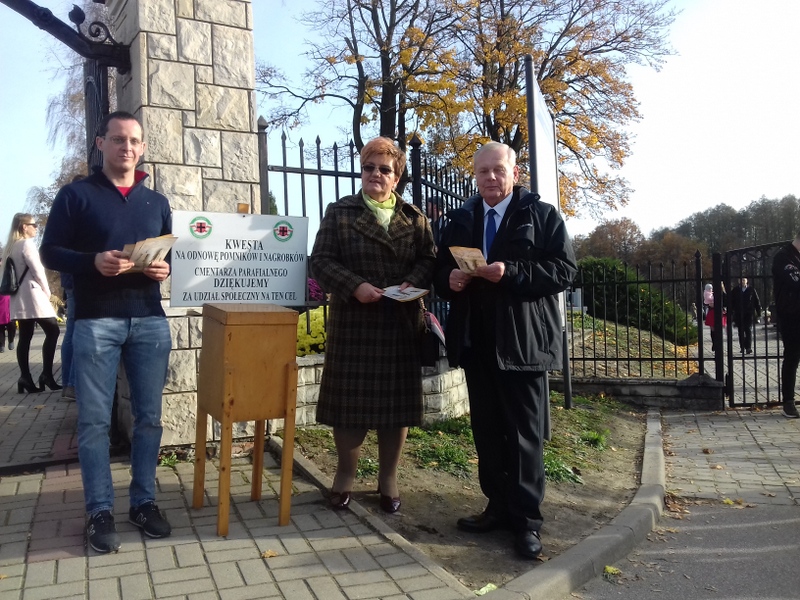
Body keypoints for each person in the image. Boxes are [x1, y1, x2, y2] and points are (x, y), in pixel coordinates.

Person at [433, 141, 577, 560]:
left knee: (524, 438)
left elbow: (565, 270)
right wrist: (448, 281)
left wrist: (509, 272)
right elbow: (438, 268)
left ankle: (527, 522)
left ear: (515, 173)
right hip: (476, 344)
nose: (491, 178)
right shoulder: (462, 218)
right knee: (488, 434)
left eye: (498, 170)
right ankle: (495, 507)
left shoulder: (541, 214)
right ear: (474, 176)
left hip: (523, 345)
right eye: (483, 172)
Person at [40, 111, 173, 553]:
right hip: (96, 321)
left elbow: (170, 258)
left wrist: (162, 269)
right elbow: (51, 251)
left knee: (149, 418)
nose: (127, 147)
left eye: (134, 140)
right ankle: (99, 510)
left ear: (143, 147)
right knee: (95, 421)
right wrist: (92, 261)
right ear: (102, 144)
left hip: (150, 320)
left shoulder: (156, 202)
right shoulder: (76, 196)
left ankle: (144, 501)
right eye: (118, 139)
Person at [309, 136, 435, 514]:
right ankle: (344, 476)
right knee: (350, 407)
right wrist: (355, 286)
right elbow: (321, 261)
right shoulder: (340, 212)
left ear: (396, 177)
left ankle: (388, 478)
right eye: (369, 167)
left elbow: (429, 259)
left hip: (400, 323)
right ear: (361, 171)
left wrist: (412, 281)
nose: (375, 174)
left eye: (384, 169)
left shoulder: (415, 218)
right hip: (355, 322)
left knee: (395, 408)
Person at [2, 213, 61, 393]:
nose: (36, 227)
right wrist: (48, 291)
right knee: (53, 330)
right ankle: (46, 375)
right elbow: (38, 270)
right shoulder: (27, 244)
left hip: (19, 297)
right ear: (23, 227)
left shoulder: (10, 248)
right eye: (33, 225)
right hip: (33, 295)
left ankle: (25, 377)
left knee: (25, 336)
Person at [771, 235, 800, 418]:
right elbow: (795, 282)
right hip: (791, 314)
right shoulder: (783, 257)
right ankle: (788, 402)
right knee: (792, 355)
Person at [729, 277, 761, 354]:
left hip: (749, 313)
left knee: (748, 330)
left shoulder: (751, 290)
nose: (742, 281)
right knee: (741, 331)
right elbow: (731, 301)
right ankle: (742, 347)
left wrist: (759, 313)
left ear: (747, 281)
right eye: (740, 280)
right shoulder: (735, 290)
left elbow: (756, 301)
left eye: (744, 279)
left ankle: (748, 347)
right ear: (738, 281)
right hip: (739, 313)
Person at [703, 282, 726, 353]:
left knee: (719, 329)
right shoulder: (710, 293)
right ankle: (715, 343)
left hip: (720, 311)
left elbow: (726, 301)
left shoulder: (723, 293)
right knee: (713, 329)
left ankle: (718, 343)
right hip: (712, 311)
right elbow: (708, 302)